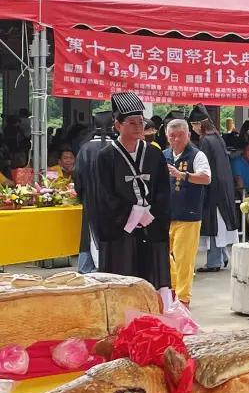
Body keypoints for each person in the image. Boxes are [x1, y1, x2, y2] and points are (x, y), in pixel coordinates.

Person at [92, 93, 171, 289]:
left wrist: (151, 214)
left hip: (151, 226)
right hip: (121, 230)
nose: (138, 127)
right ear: (118, 126)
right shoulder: (106, 156)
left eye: (141, 122)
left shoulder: (154, 153)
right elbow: (103, 195)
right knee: (123, 278)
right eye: (132, 123)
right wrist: (133, 213)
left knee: (152, 278)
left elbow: (163, 189)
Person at [162, 119, 211, 305]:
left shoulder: (197, 155)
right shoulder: (164, 155)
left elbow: (206, 178)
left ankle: (183, 298)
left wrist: (182, 175)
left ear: (188, 135)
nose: (175, 140)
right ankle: (173, 289)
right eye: (172, 136)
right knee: (162, 254)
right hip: (166, 214)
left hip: (188, 215)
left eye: (180, 136)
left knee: (184, 260)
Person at [190, 107, 239, 274]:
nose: (193, 129)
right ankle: (222, 257)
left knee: (214, 226)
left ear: (199, 124)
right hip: (224, 187)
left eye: (193, 125)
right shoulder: (217, 137)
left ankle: (214, 261)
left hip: (214, 188)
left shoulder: (205, 141)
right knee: (220, 226)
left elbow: (205, 168)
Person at [74, 111, 114, 274]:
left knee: (89, 235)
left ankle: (85, 269)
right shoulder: (118, 146)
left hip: (91, 199)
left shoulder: (85, 149)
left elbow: (78, 176)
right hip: (114, 202)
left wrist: (80, 194)